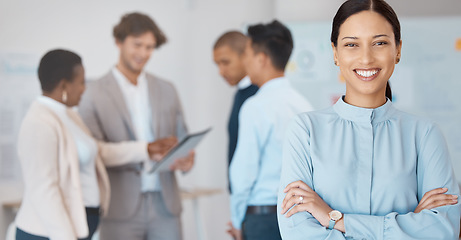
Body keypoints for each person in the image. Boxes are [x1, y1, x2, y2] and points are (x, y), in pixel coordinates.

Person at [278, 0, 461, 239]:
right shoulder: (305, 131)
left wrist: (337, 220)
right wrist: (408, 226)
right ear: (335, 52)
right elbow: (297, 233)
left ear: (398, 50)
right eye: (352, 44)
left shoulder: (424, 134)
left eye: (380, 43)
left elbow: (443, 231)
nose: (366, 58)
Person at [15, 49, 176, 240]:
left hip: (78, 229)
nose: (85, 89)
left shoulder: (69, 116)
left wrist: (146, 149)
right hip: (48, 234)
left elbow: (99, 151)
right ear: (64, 85)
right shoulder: (39, 122)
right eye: (82, 82)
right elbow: (43, 190)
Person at [78, 12, 194, 240]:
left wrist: (186, 159)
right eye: (137, 45)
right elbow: (93, 152)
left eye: (150, 47)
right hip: (119, 208)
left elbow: (183, 137)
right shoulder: (92, 93)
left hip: (165, 207)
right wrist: (146, 149)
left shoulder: (167, 89)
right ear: (119, 42)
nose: (143, 53)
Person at [228, 20, 314, 240]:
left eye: (246, 54)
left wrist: (238, 221)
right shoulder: (304, 105)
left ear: (262, 59)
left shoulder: (255, 106)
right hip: (299, 216)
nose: (244, 61)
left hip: (262, 219)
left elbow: (243, 173)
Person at [213, 31, 258, 191]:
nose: (220, 71)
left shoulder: (258, 96)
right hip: (243, 199)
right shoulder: (240, 94)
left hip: (257, 201)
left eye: (225, 62)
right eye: (217, 64)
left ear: (245, 56)